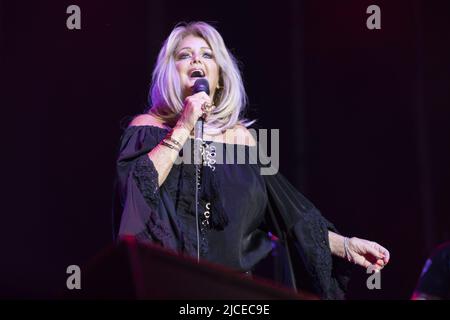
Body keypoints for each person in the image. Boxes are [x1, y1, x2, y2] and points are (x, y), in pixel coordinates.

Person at [112, 21, 390, 299]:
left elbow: (289, 215)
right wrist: (184, 126)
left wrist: (345, 245)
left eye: (207, 54)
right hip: (169, 286)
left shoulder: (243, 139)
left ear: (219, 78)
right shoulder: (148, 127)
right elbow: (136, 190)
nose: (196, 58)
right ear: (170, 73)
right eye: (184, 55)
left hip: (233, 293)